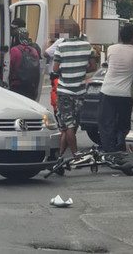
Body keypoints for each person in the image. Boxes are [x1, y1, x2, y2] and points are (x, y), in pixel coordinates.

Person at [53, 19, 97, 159]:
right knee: (72, 126)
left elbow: (55, 69)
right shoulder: (87, 46)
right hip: (80, 92)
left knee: (68, 126)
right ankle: (60, 156)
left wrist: (65, 72)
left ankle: (75, 156)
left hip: (64, 91)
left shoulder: (61, 47)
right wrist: (81, 70)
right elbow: (93, 67)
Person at [98, 24, 133, 153]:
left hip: (108, 91)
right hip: (125, 94)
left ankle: (109, 151)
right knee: (125, 124)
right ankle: (122, 149)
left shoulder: (111, 49)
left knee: (106, 124)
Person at [9, 27, 41, 100]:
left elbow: (10, 68)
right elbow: (37, 71)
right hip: (31, 87)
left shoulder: (14, 50)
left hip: (17, 86)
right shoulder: (33, 50)